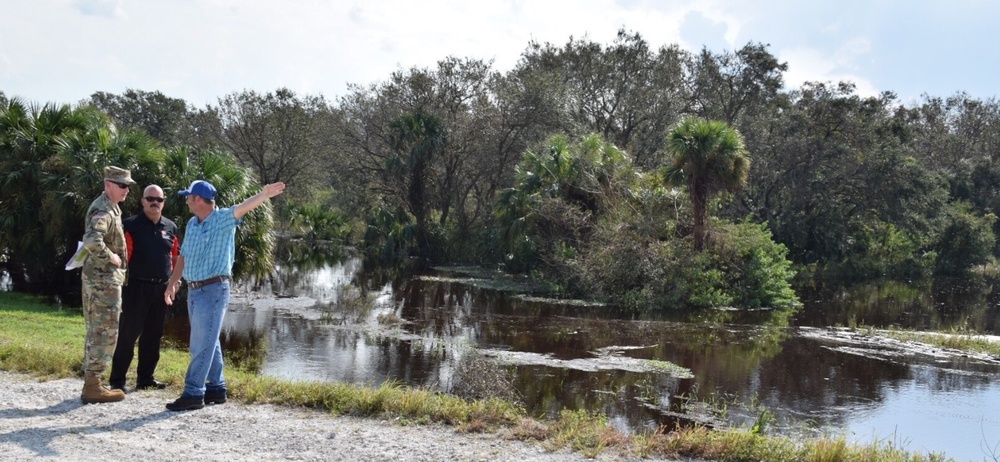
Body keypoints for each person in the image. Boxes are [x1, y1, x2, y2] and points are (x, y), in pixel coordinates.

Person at [163, 179, 285, 411]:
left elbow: (243, 207)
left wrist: (264, 194)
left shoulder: (223, 219)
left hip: (213, 290)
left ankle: (193, 393)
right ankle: (217, 389)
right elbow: (183, 257)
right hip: (194, 290)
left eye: (188, 196)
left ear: (198, 199)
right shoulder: (192, 223)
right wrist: (173, 282)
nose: (186, 200)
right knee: (209, 340)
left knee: (200, 343)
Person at [109, 185, 179, 393]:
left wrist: (174, 282)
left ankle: (146, 378)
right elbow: (122, 258)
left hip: (161, 289)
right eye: (150, 198)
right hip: (135, 287)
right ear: (142, 201)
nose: (154, 202)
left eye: (159, 199)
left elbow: (175, 257)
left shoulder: (171, 227)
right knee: (128, 335)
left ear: (164, 202)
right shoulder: (130, 225)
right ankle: (117, 380)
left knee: (153, 336)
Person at [80, 166, 135, 404]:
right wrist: (110, 257)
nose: (126, 190)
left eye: (128, 186)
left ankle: (93, 382)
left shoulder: (112, 208)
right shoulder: (103, 208)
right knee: (104, 331)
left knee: (98, 329)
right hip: (103, 282)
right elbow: (92, 239)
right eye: (122, 185)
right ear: (108, 184)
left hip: (102, 281)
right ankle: (93, 386)